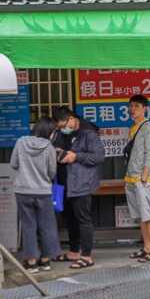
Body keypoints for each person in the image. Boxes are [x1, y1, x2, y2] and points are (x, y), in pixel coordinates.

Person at [52, 106, 105, 269]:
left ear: (71, 119)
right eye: (59, 127)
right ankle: (74, 251)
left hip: (82, 183)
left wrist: (76, 156)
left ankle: (87, 256)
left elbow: (99, 156)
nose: (62, 129)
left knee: (83, 219)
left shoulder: (89, 133)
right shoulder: (61, 134)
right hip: (65, 181)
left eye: (63, 126)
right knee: (70, 218)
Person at [10, 117, 63, 272]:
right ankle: (45, 261)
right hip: (43, 192)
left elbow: (13, 164)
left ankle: (31, 262)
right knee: (47, 226)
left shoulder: (21, 142)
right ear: (50, 132)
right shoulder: (49, 148)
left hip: (23, 191)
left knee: (28, 226)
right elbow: (52, 172)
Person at [125, 94, 150, 262]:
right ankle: (147, 247)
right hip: (131, 177)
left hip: (142, 178)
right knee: (140, 215)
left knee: (147, 215)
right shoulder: (133, 127)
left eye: (137, 106)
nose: (132, 109)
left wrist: (145, 177)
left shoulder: (148, 128)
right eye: (131, 105)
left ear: (145, 109)